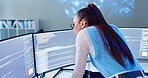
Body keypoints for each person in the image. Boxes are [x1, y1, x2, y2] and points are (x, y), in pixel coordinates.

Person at [70, 3, 147, 78]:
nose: (73, 28)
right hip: (141, 74)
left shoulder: (83, 33)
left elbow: (78, 73)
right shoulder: (113, 28)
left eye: (74, 24)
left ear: (83, 23)